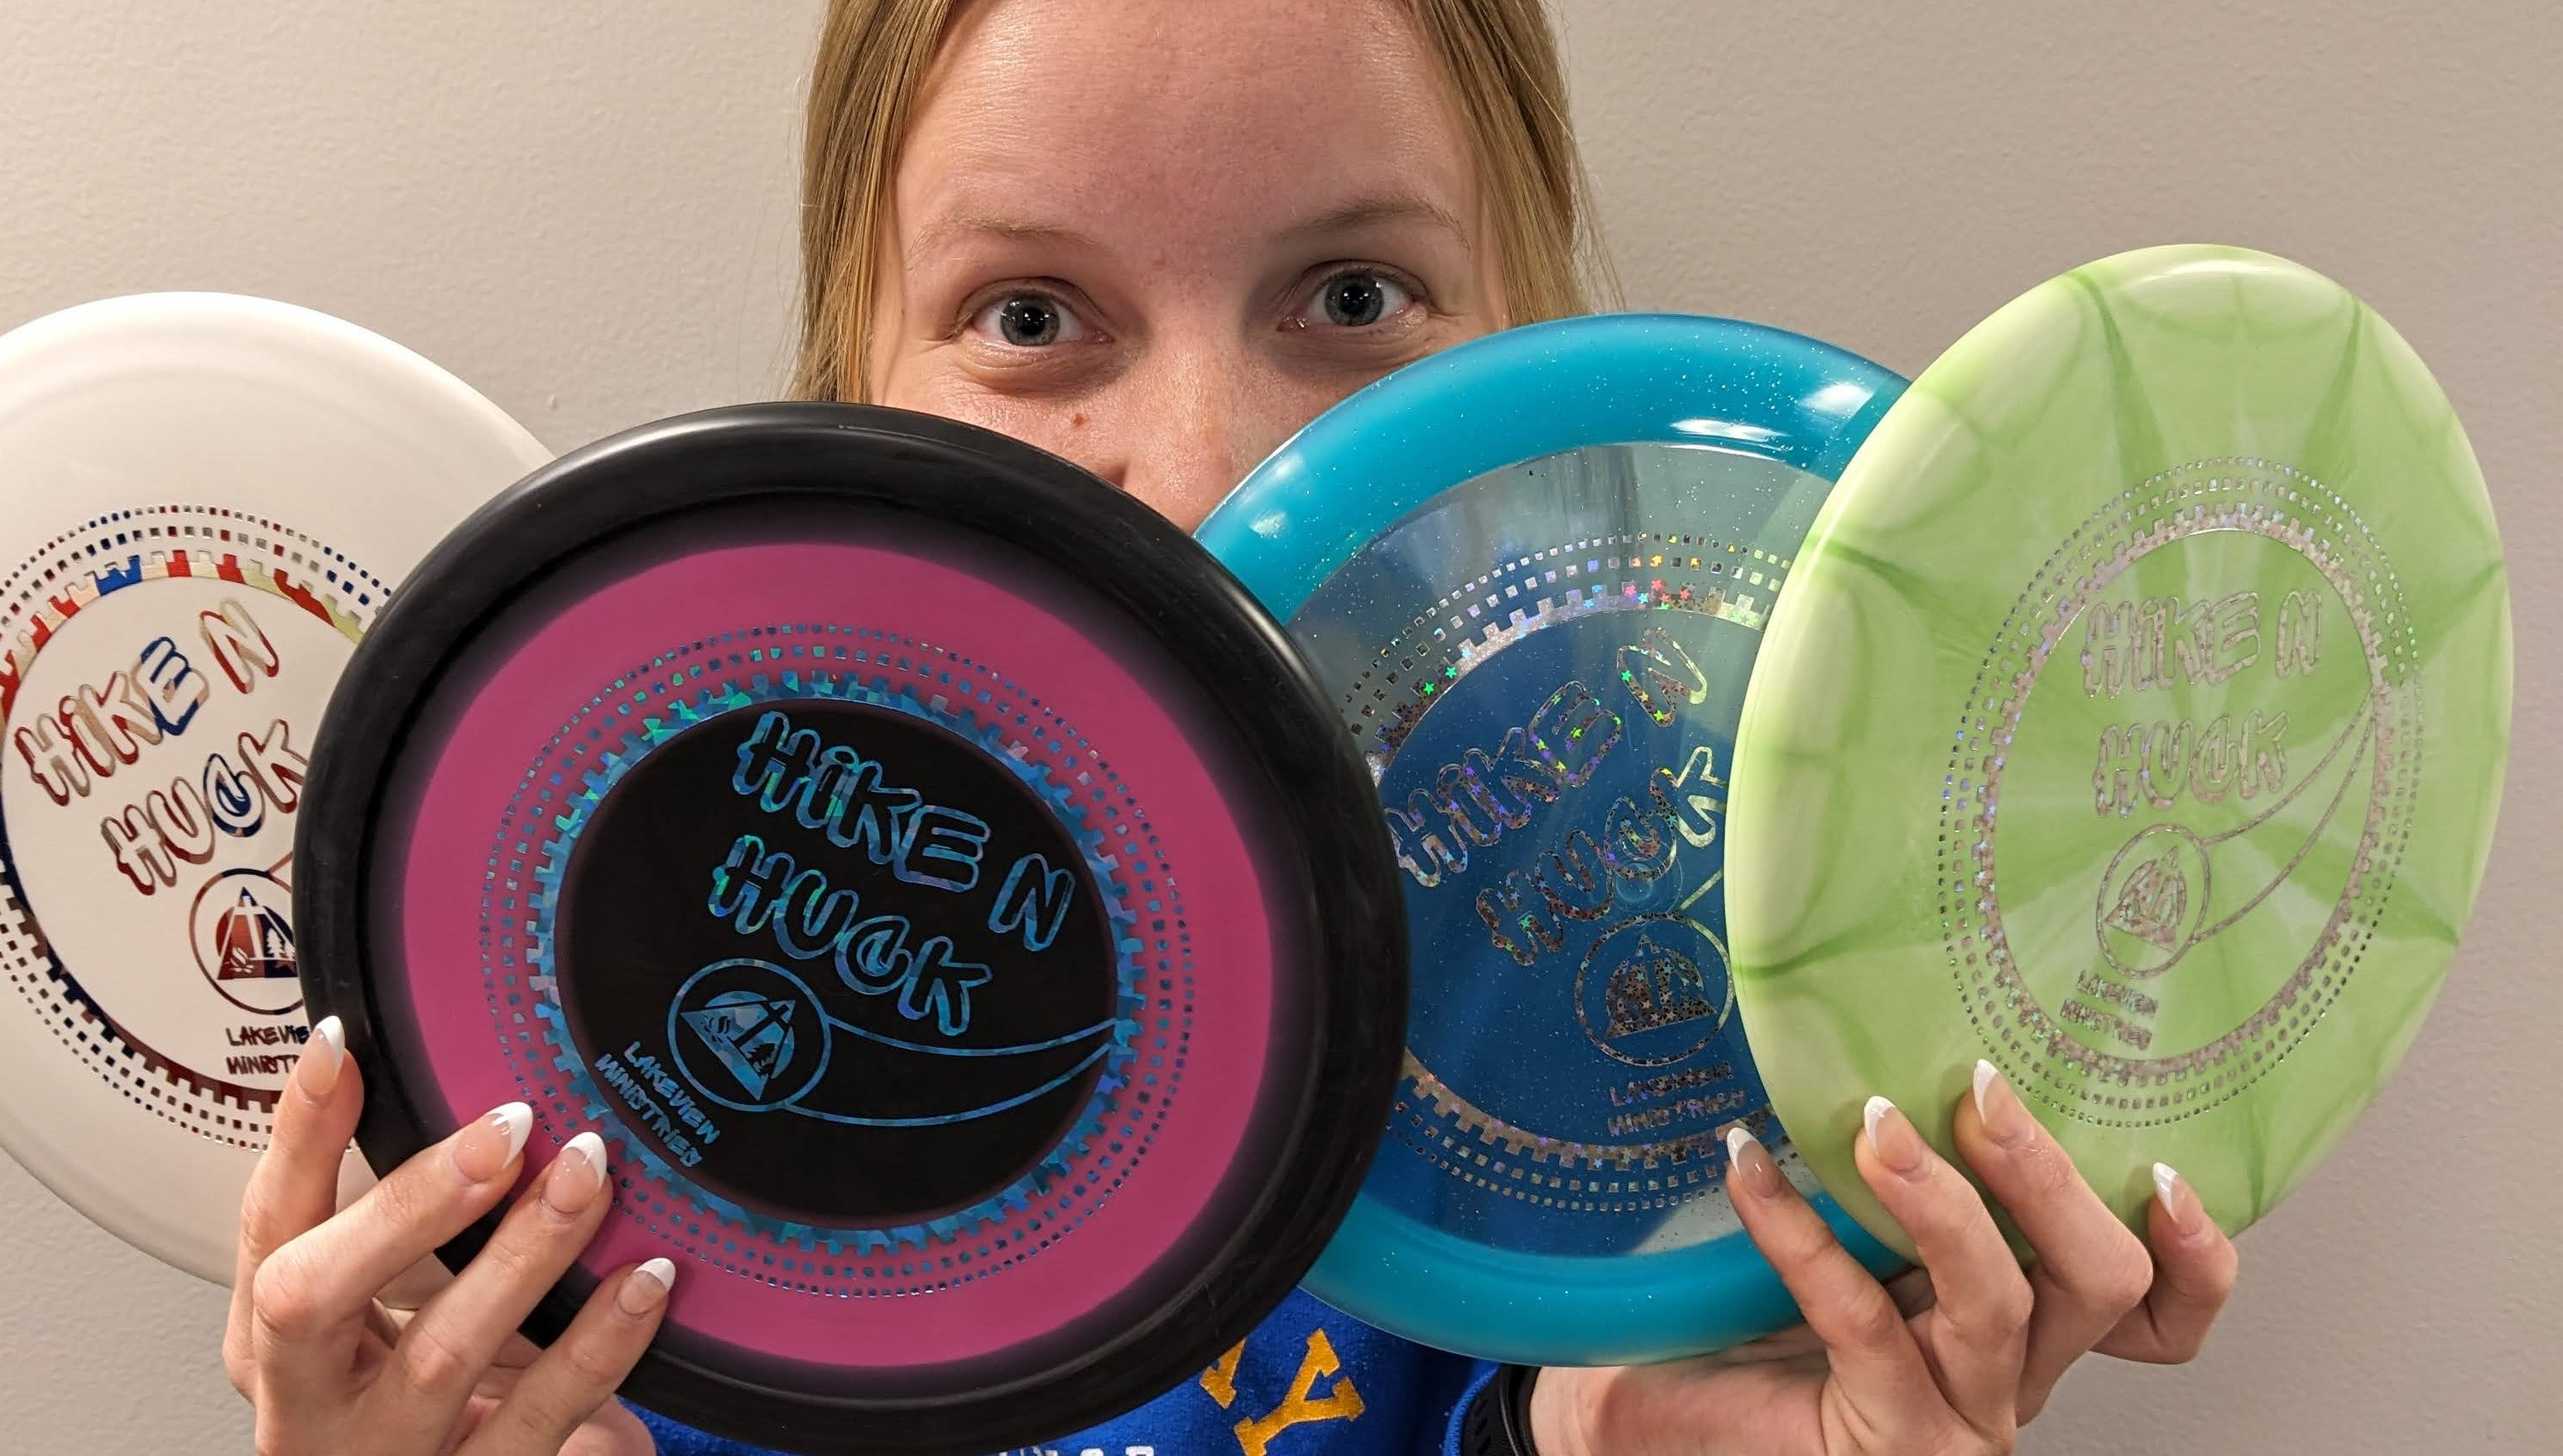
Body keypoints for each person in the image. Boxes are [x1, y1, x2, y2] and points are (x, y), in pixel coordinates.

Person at [221, 3, 2241, 1453]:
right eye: (1032, 317)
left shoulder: (1732, 954)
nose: (1202, 471)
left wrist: (1646, 1424)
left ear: (1538, 339)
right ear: (853, 374)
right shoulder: (611, 971)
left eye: (1351, 298)